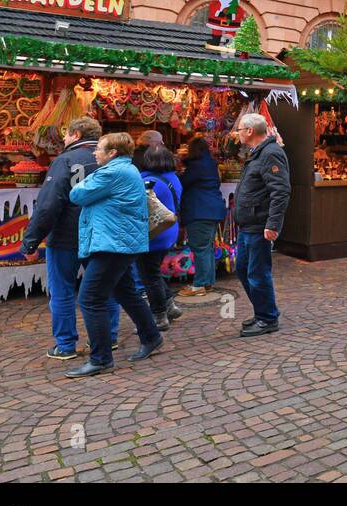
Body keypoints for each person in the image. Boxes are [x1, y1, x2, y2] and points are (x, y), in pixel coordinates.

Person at [19, 117, 120, 360]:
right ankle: (109, 337)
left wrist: (31, 240)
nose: (63, 139)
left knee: (62, 290)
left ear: (75, 134)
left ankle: (65, 345)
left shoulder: (64, 160)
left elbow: (48, 205)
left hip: (67, 235)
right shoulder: (111, 160)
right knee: (104, 287)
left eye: (66, 134)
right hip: (101, 234)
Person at [65, 133, 163, 377]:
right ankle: (151, 336)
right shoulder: (125, 170)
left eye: (99, 149)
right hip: (119, 242)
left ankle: (100, 358)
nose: (94, 153)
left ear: (113, 153)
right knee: (126, 292)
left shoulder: (111, 172)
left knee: (90, 299)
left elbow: (76, 194)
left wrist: (83, 183)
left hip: (112, 244)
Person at [233, 113, 289, 335]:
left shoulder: (270, 153)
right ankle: (263, 311)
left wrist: (272, 224)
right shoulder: (259, 153)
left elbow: (281, 191)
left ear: (249, 131)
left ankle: (267, 318)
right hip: (250, 224)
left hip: (259, 225)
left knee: (257, 273)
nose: (237, 134)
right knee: (244, 270)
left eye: (239, 130)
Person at [138, 144, 183, 330]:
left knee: (149, 276)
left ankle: (159, 316)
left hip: (152, 234)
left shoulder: (147, 181)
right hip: (168, 230)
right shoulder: (174, 178)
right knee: (154, 272)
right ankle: (169, 305)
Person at [177, 135, 227, 296]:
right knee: (207, 248)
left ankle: (199, 284)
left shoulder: (196, 166)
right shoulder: (210, 164)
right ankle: (207, 282)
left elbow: (183, 183)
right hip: (212, 209)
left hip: (199, 210)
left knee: (200, 248)